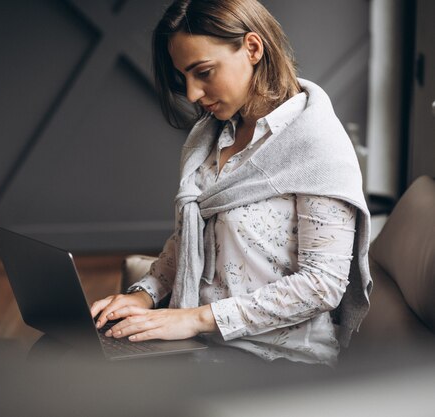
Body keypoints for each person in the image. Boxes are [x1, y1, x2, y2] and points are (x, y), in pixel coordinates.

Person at [90, 0, 372, 366]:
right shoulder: (210, 138)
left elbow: (323, 284)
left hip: (277, 359)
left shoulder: (316, 144)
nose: (191, 94)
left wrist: (194, 319)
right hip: (201, 345)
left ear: (253, 48)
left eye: (203, 72)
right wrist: (144, 294)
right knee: (62, 353)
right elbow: (191, 239)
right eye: (184, 78)